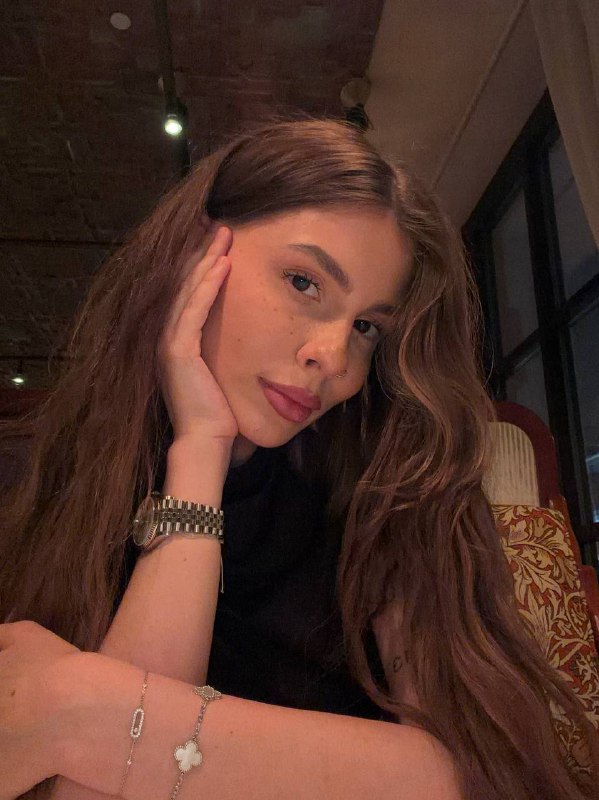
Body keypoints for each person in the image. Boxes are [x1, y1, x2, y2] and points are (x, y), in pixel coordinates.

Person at [0, 116, 597, 800]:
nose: (334, 357)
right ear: (195, 254)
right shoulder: (30, 482)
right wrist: (200, 453)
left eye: (366, 326)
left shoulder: (385, 489)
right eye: (304, 283)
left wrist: (81, 711)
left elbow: (484, 776)